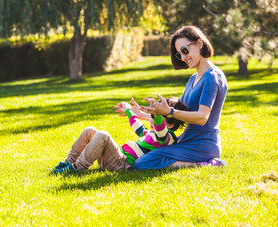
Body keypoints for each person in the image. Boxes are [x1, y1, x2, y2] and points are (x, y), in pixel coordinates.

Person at [126, 25, 227, 170]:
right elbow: (177, 116)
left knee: (142, 163)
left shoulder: (212, 76)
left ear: (199, 44)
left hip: (203, 144)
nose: (184, 57)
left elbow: (202, 117)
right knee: (145, 157)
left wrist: (169, 112)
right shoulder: (193, 78)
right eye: (180, 54)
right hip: (187, 139)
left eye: (185, 50)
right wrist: (143, 114)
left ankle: (208, 164)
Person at [52, 97, 188, 174]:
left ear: (170, 125)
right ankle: (68, 162)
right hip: (116, 158)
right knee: (90, 130)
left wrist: (157, 115)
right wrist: (129, 111)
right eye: (153, 115)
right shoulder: (151, 134)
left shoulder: (167, 138)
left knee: (103, 135)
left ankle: (78, 168)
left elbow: (161, 130)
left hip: (122, 164)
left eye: (157, 116)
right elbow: (138, 127)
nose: (152, 118)